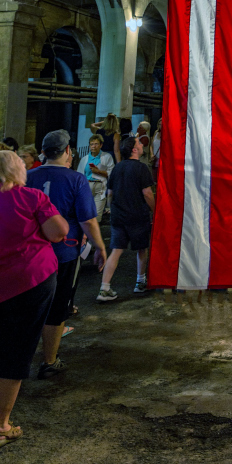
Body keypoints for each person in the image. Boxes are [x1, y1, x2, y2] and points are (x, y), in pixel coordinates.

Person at [0, 150, 68, 447]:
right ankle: (1, 425)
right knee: (16, 350)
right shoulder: (31, 197)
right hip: (29, 282)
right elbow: (57, 232)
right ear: (19, 172)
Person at [27, 130, 107, 378]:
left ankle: (19, 357)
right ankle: (49, 360)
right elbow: (88, 220)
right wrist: (100, 247)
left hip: (29, 256)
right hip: (64, 254)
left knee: (27, 306)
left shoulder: (27, 176)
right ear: (68, 151)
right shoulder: (76, 180)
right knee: (58, 307)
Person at [97, 136, 154, 302]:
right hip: (138, 216)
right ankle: (140, 281)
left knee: (116, 251)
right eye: (139, 143)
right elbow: (147, 193)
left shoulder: (117, 168)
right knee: (142, 249)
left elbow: (109, 194)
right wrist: (155, 210)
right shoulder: (142, 168)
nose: (142, 144)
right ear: (134, 150)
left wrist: (113, 209)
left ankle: (104, 288)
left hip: (119, 216)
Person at [76, 135, 113, 220]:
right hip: (87, 185)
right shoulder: (85, 159)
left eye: (96, 144)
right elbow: (80, 174)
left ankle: (95, 231)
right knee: (86, 212)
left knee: (97, 214)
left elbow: (112, 173)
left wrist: (99, 171)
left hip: (100, 185)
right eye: (92, 144)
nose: (93, 146)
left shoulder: (107, 157)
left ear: (101, 145)